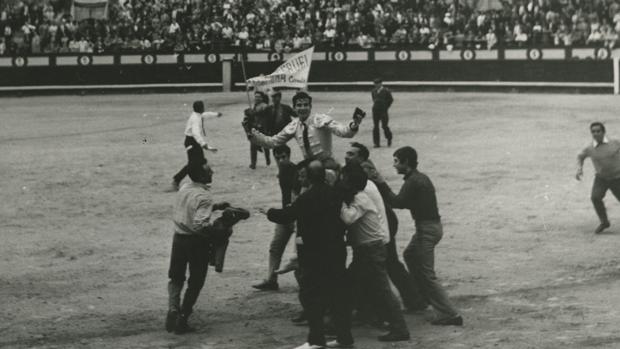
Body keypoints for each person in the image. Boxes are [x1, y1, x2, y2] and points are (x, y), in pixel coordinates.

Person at [372, 146, 463, 326]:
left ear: (406, 162)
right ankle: (422, 298)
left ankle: (450, 314)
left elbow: (398, 202)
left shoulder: (413, 181)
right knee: (410, 255)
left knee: (427, 273)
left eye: (397, 161)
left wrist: (382, 183)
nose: (394, 165)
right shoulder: (420, 178)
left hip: (426, 230)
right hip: (431, 227)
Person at [266, 160, 353, 349]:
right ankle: (344, 338)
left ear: (310, 177)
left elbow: (287, 215)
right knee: (338, 296)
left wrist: (269, 212)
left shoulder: (307, 197)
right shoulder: (335, 193)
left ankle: (316, 340)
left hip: (314, 255)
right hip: (336, 251)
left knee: (311, 297)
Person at [166, 162, 246, 334]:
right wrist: (219, 234)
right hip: (195, 243)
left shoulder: (185, 187)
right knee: (196, 281)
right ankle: (183, 318)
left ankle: (173, 308)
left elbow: (191, 207)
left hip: (178, 238)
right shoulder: (204, 197)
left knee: (176, 276)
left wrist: (215, 207)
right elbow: (199, 225)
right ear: (202, 176)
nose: (212, 172)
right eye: (209, 171)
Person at [344, 142, 423, 312]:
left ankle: (410, 301)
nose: (347, 157)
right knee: (388, 264)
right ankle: (413, 300)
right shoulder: (361, 169)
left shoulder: (364, 170)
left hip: (382, 221)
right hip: (381, 220)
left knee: (387, 265)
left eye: (351, 154)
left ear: (362, 158)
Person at [339, 163, 410, 342]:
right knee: (358, 284)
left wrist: (339, 201)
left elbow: (348, 218)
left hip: (370, 249)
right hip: (368, 249)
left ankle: (400, 328)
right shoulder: (360, 196)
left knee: (382, 289)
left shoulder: (361, 199)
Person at [249, 91, 364, 161]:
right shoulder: (293, 125)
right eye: (299, 105)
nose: (303, 108)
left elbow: (344, 132)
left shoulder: (321, 119)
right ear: (294, 108)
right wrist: (253, 135)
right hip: (308, 168)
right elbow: (273, 142)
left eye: (306, 105)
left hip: (328, 166)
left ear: (310, 106)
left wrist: (354, 124)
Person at [253, 145, 300, 290]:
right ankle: (271, 279)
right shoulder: (283, 171)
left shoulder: (295, 172)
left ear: (289, 156)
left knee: (300, 253)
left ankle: (307, 283)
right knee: (275, 247)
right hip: (285, 214)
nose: (280, 160)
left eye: (283, 157)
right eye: (277, 157)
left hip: (295, 216)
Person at [576, 122, 620, 234]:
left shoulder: (615, 142)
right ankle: (604, 222)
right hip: (601, 178)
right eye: (593, 131)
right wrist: (579, 169)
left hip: (617, 178)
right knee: (595, 197)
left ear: (603, 132)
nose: (595, 133)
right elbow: (580, 156)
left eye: (598, 131)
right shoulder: (589, 148)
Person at [168, 101, 221, 191]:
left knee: (200, 161)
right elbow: (195, 133)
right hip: (191, 142)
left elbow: (206, 114)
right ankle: (177, 180)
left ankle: (201, 181)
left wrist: (216, 114)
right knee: (193, 163)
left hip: (193, 142)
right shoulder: (195, 119)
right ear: (201, 108)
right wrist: (203, 144)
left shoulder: (198, 115)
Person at [244, 91, 273, 169]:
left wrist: (252, 113)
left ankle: (267, 158)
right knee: (253, 146)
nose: (256, 98)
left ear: (262, 98)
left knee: (264, 145)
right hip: (255, 127)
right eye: (255, 96)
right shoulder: (256, 105)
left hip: (263, 128)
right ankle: (253, 163)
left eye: (258, 97)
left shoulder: (265, 106)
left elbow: (260, 114)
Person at [371, 78, 393, 148]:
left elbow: (391, 100)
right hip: (375, 110)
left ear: (381, 83)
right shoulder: (373, 91)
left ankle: (389, 138)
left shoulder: (386, 91)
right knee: (375, 127)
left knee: (384, 126)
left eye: (377, 84)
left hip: (383, 111)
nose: (376, 85)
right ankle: (376, 143)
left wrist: (386, 107)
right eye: (375, 84)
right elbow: (374, 99)